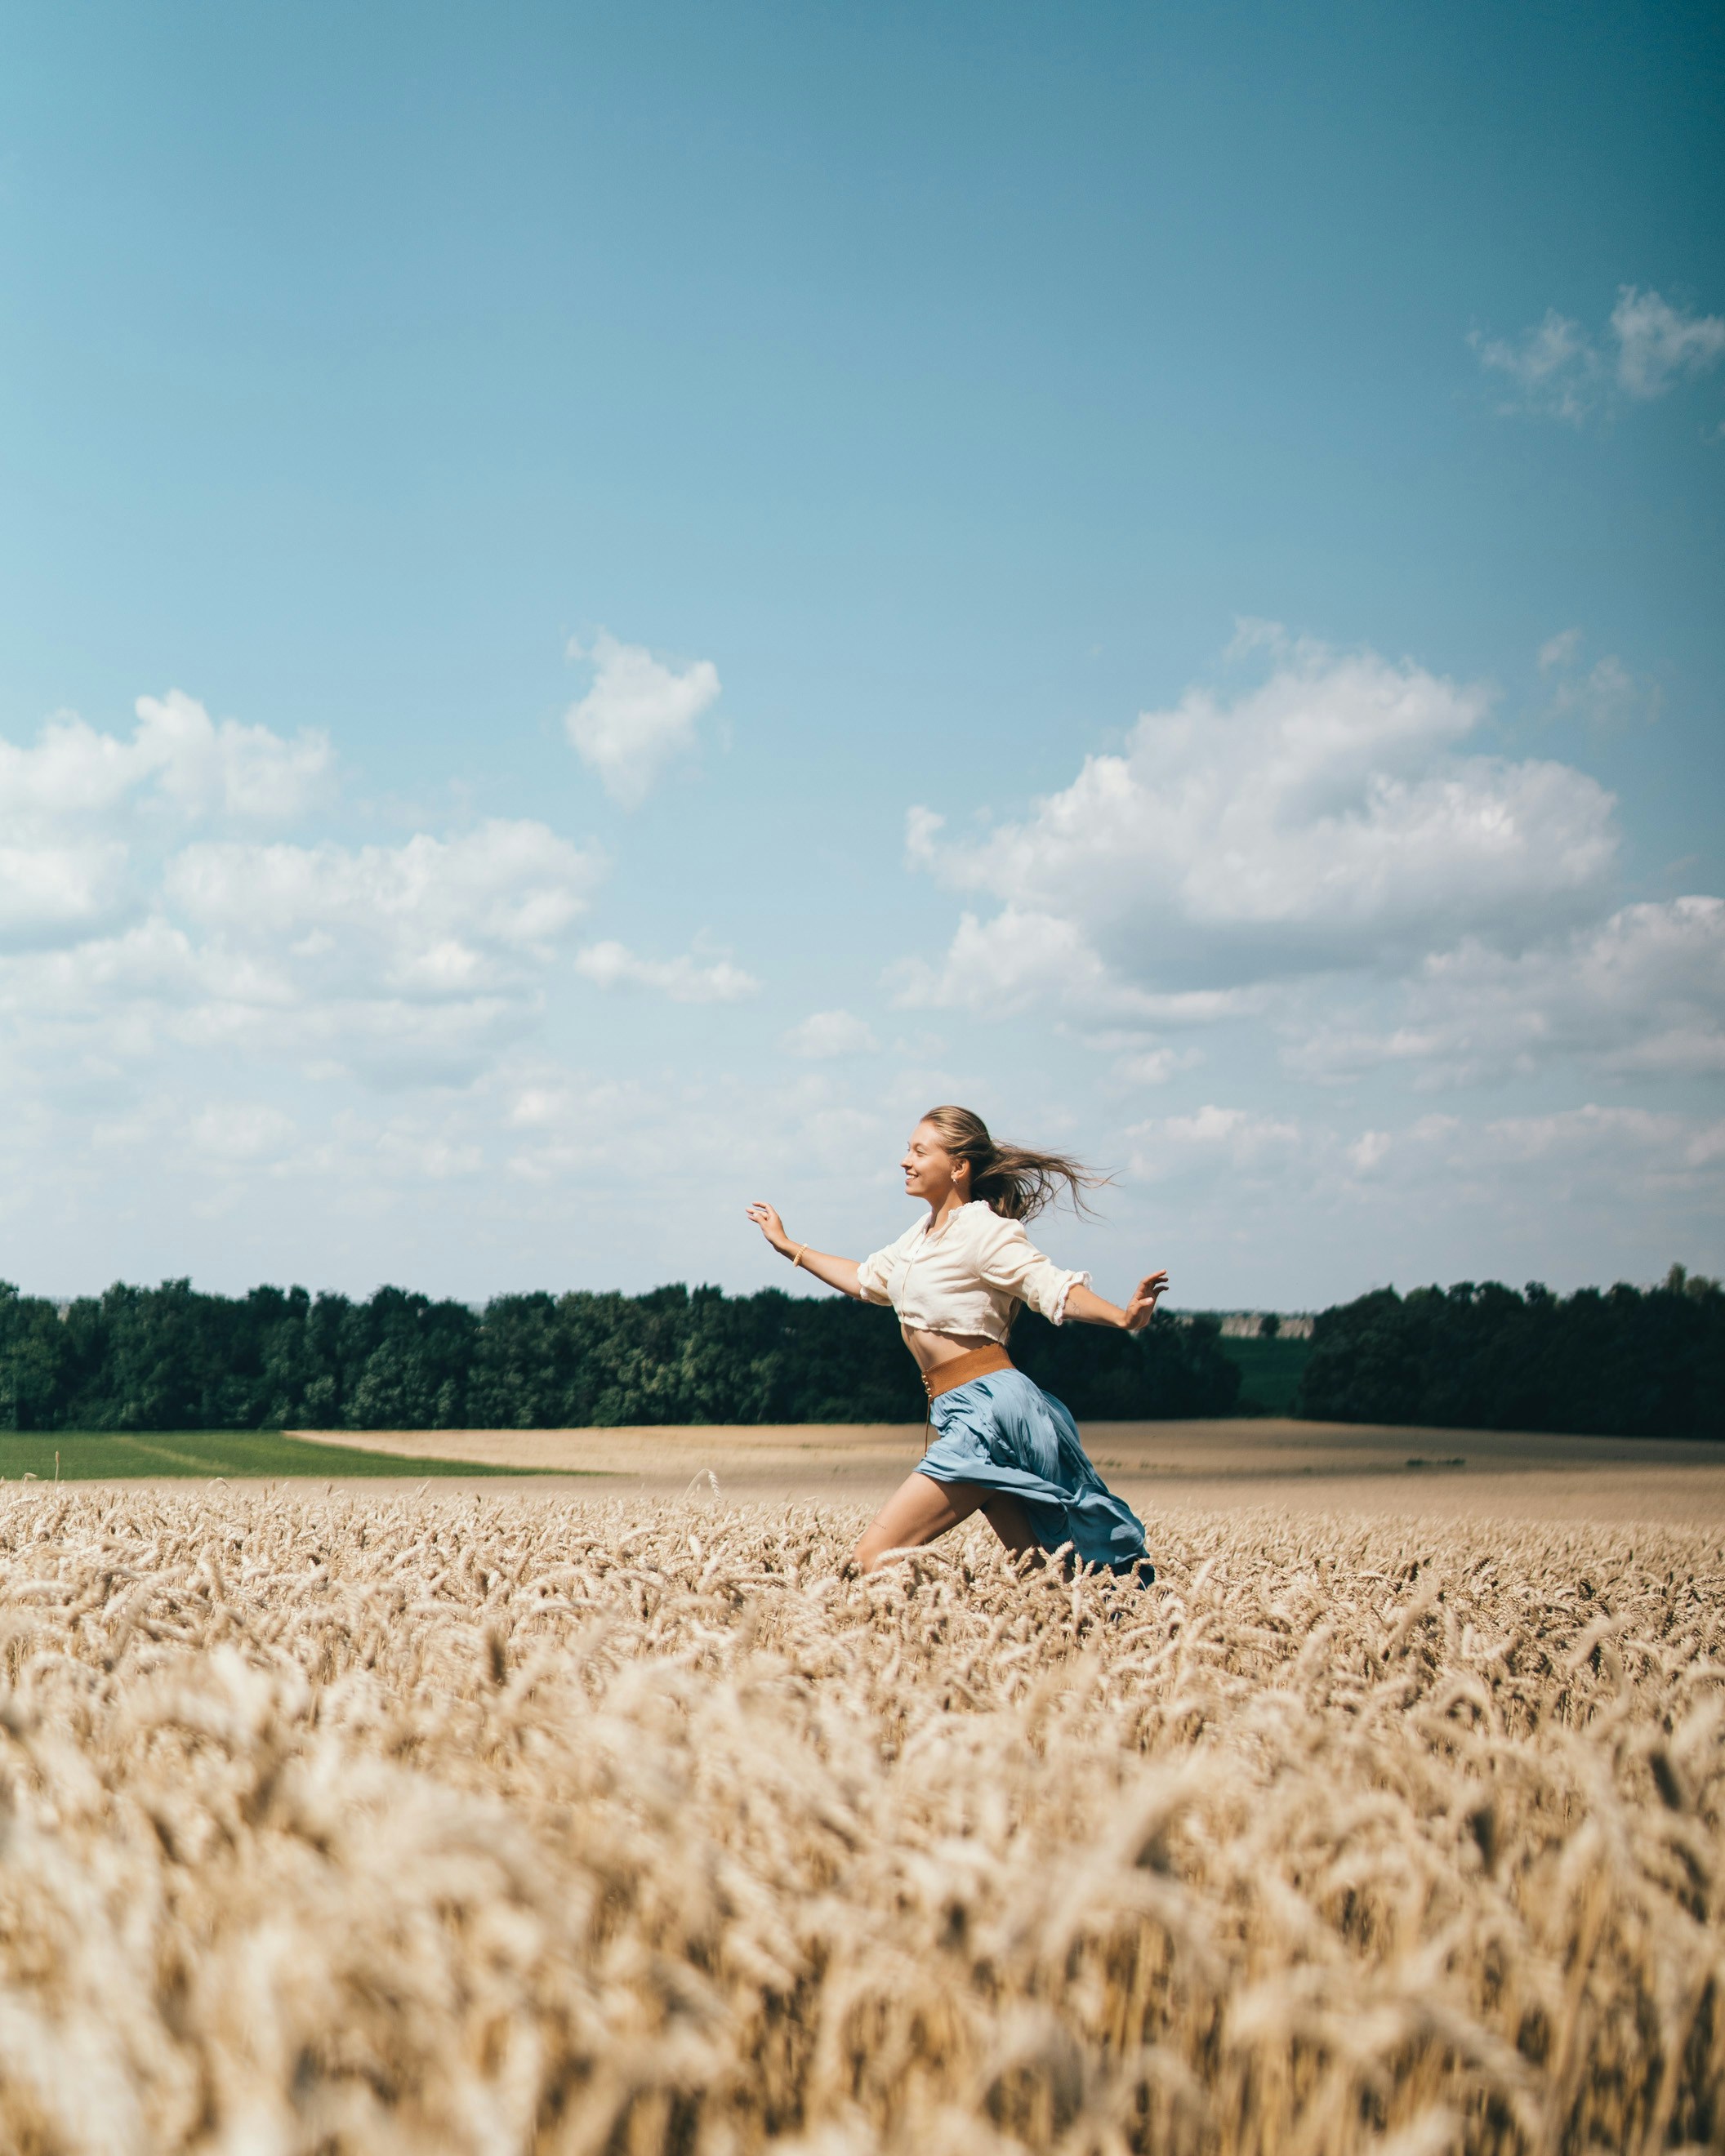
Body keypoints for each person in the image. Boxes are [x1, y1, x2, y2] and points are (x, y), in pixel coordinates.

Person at [746, 1105, 1168, 1578]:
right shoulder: (916, 1240)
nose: (905, 1161)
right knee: (1042, 1577)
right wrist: (789, 1246)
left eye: (919, 1151)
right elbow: (865, 1279)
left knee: (868, 1561)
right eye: (907, 1149)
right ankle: (1091, 1639)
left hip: (990, 1411)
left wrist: (1122, 1317)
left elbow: (1049, 1286)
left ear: (959, 1167)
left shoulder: (983, 1231)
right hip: (959, 1408)